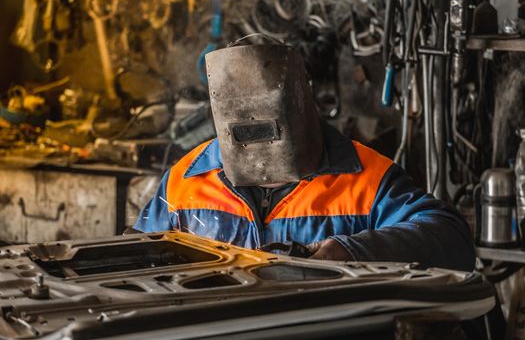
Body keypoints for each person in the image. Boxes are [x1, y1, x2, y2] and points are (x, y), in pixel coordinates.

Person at [134, 43, 475, 271]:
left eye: (268, 130)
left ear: (304, 108)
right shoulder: (187, 180)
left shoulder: (365, 178)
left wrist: (352, 251)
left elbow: (452, 239)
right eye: (246, 133)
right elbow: (136, 258)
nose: (261, 153)